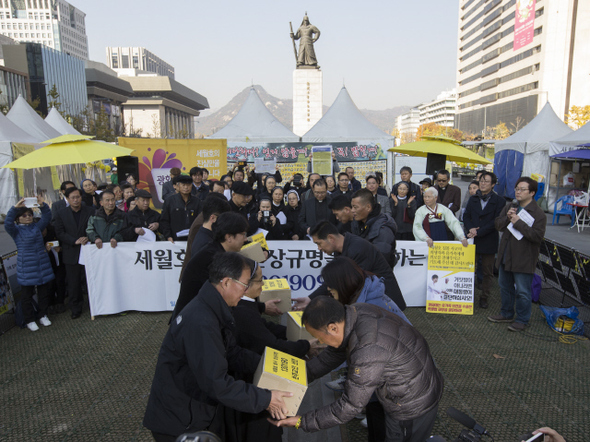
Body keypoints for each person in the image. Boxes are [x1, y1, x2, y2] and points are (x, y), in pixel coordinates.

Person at [144, 252, 292, 442]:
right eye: (245, 284)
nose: (247, 291)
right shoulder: (201, 322)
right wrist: (266, 399)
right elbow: (217, 383)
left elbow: (232, 353)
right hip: (180, 422)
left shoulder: (214, 307)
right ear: (226, 282)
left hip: (194, 410)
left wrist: (269, 366)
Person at [270, 296, 443, 442]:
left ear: (332, 328)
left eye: (318, 337)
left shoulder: (367, 350)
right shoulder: (355, 313)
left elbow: (350, 405)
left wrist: (302, 421)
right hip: (412, 381)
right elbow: (332, 355)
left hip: (411, 405)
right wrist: (297, 377)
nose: (320, 342)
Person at [293, 221, 406, 311]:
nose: (319, 248)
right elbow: (335, 279)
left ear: (331, 238)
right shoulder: (341, 248)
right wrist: (310, 298)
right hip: (371, 303)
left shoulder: (358, 248)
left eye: (319, 243)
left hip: (386, 302)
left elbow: (349, 283)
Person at [488, 177, 546, 332]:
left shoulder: (539, 214)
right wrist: (508, 218)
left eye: (522, 189)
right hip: (505, 254)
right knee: (504, 286)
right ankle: (506, 313)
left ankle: (522, 319)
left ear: (532, 193)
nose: (518, 192)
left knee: (523, 291)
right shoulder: (511, 206)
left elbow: (536, 237)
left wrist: (518, 222)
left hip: (524, 258)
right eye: (517, 188)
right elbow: (498, 225)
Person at [5, 197, 55, 331]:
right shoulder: (15, 230)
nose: (28, 217)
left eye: (29, 215)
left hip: (42, 263)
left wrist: (42, 205)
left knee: (44, 291)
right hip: (26, 265)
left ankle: (43, 315)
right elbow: (7, 223)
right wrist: (14, 208)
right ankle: (29, 319)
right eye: (24, 215)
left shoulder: (36, 226)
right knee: (26, 294)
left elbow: (47, 216)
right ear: (18, 218)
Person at [463, 172, 505, 309]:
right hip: (472, 239)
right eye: (481, 181)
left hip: (488, 239)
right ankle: (467, 296)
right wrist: (471, 229)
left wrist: (478, 231)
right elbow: (466, 216)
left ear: (493, 184)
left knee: (487, 271)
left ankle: (484, 297)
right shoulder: (473, 198)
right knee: (469, 269)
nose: (483, 183)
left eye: (486, 181)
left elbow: (495, 222)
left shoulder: (499, 201)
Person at [53, 187, 96, 319]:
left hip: (89, 249)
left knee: (91, 280)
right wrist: (74, 240)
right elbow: (59, 232)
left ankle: (95, 305)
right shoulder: (61, 213)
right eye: (73, 197)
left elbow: (95, 227)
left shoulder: (90, 210)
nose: (76, 200)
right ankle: (75, 308)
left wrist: (88, 237)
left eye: (78, 197)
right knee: (73, 283)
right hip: (71, 251)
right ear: (67, 199)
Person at [351, 189, 398, 267]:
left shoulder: (382, 229)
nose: (352, 211)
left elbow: (380, 260)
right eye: (352, 207)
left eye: (355, 207)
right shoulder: (359, 224)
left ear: (368, 207)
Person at [160, 175, 202, 242]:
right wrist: (168, 236)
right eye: (183, 185)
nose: (186, 187)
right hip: (174, 239)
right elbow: (164, 220)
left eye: (188, 185)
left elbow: (201, 221)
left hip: (193, 239)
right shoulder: (170, 201)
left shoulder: (197, 202)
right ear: (177, 186)